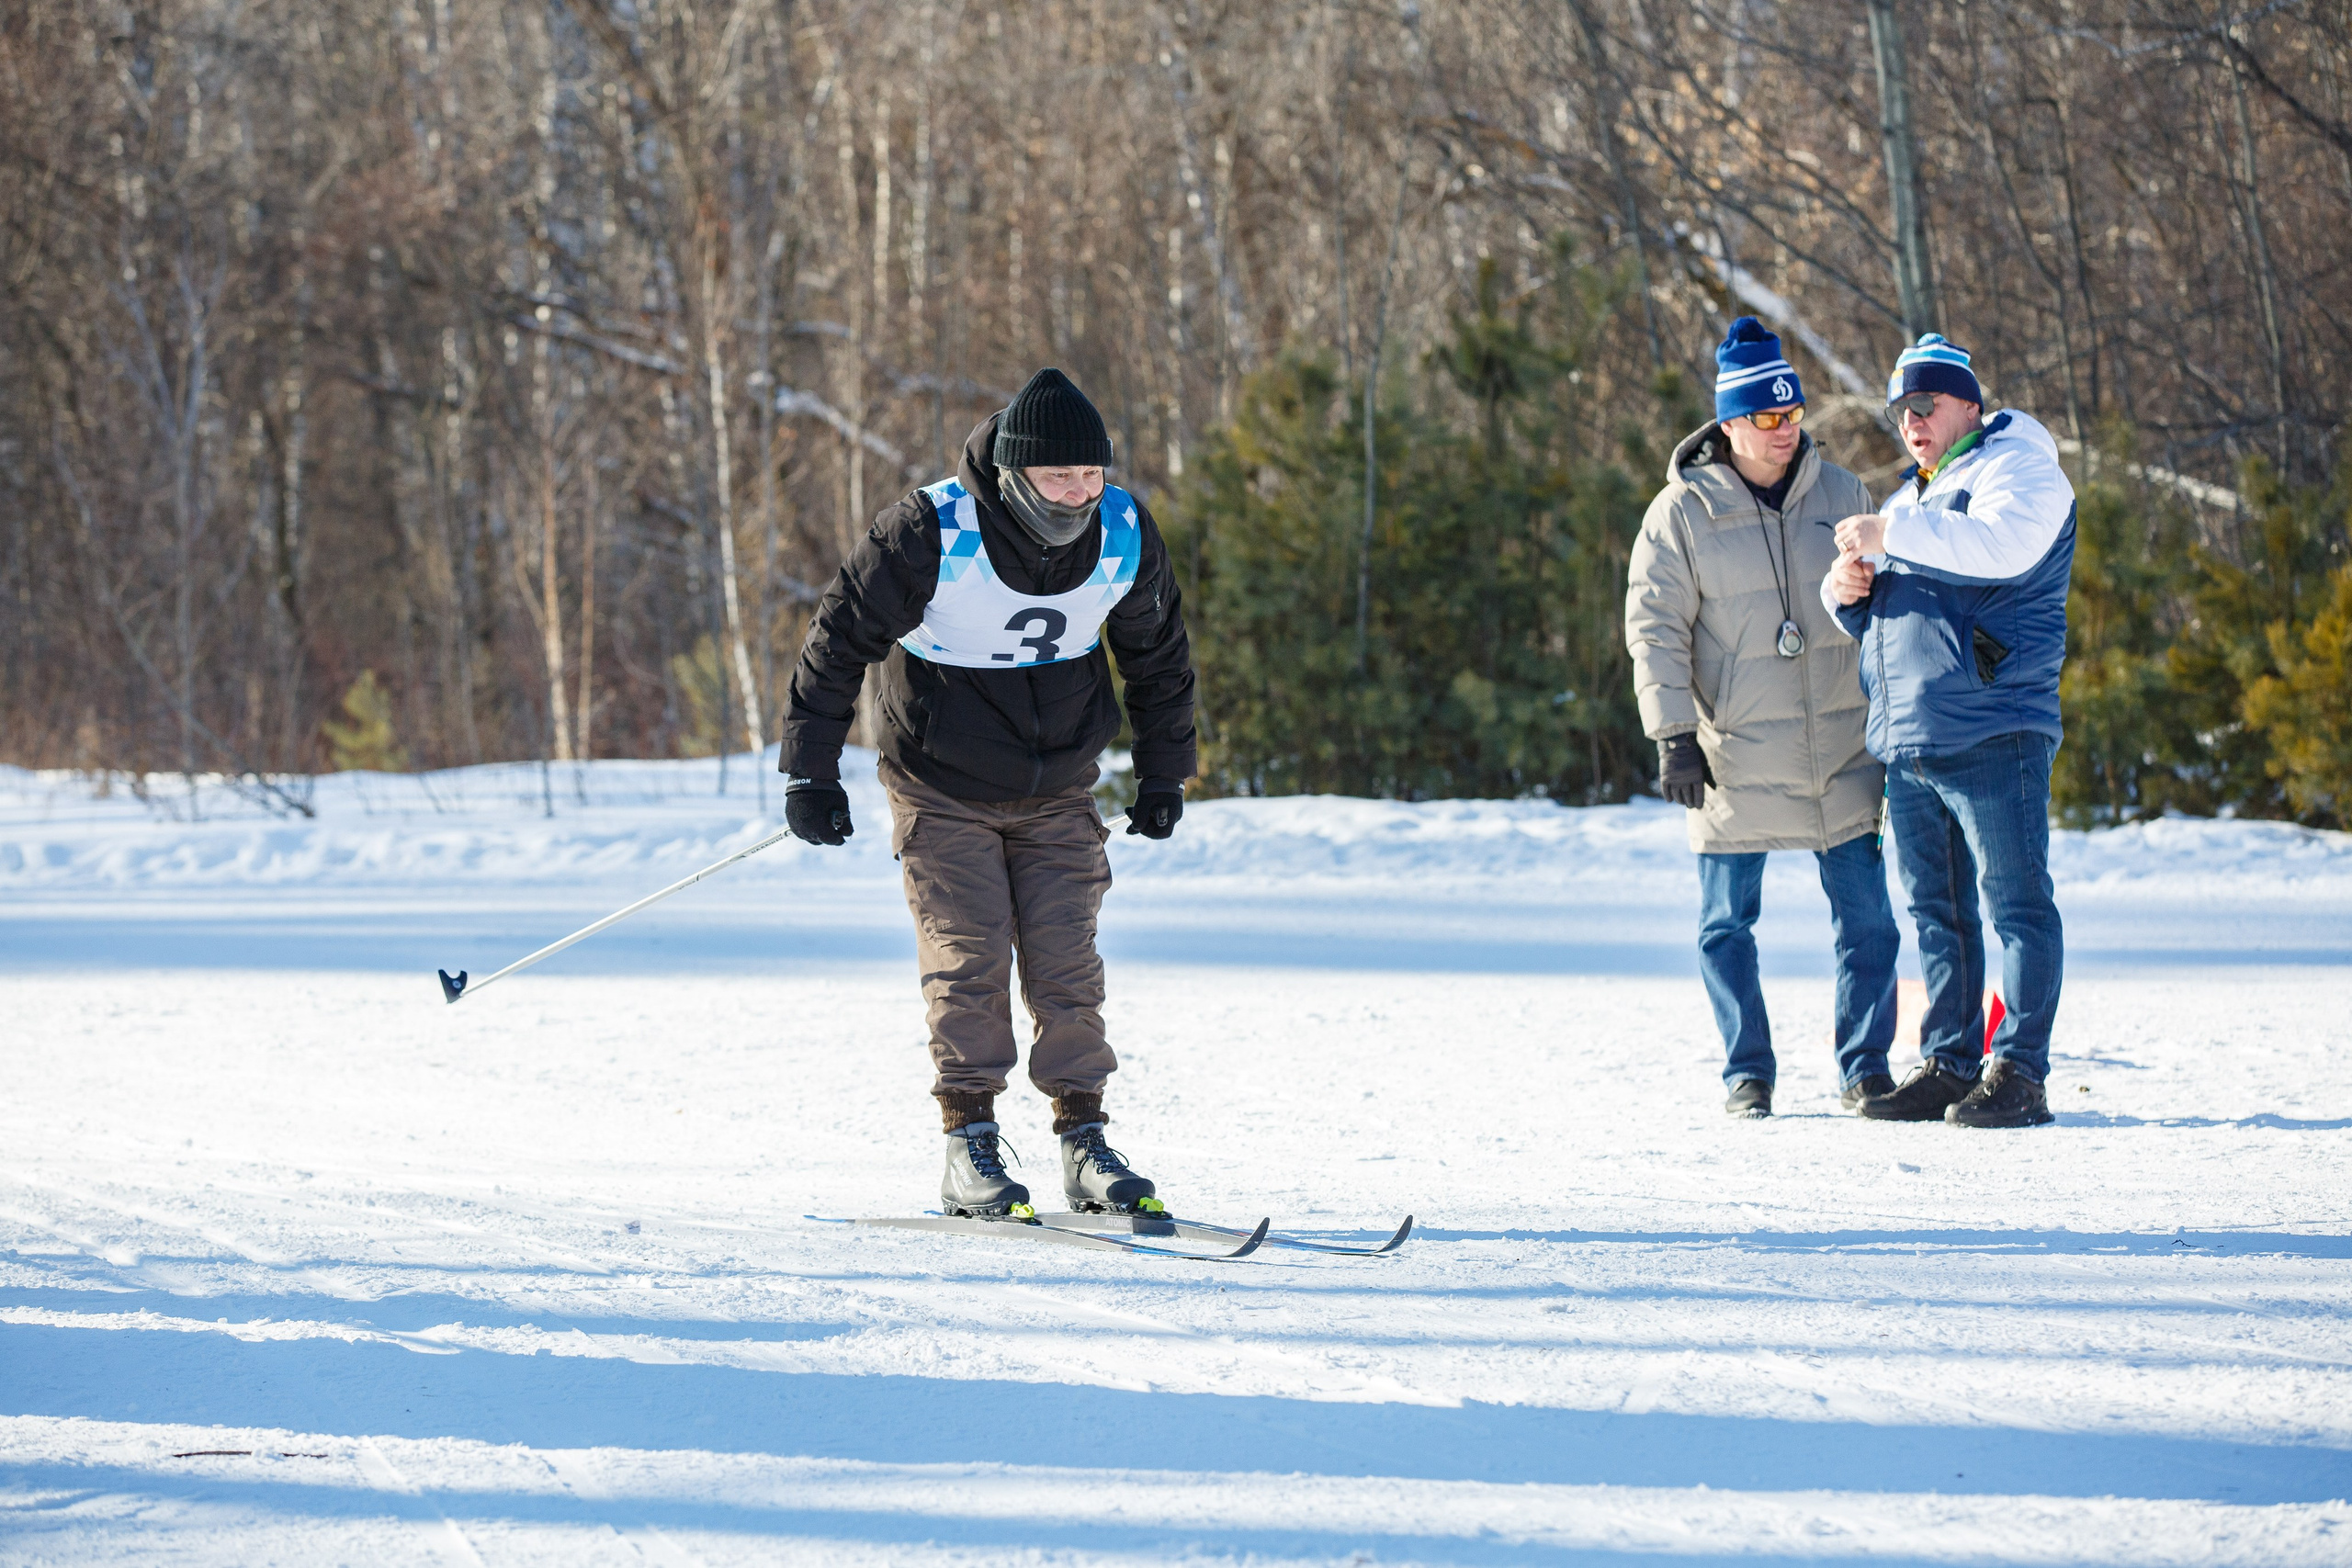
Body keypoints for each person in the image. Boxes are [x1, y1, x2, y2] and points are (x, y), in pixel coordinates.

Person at [778, 367, 1198, 1213]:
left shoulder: (1122, 530)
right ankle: (969, 1142)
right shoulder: (931, 530)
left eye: (1093, 474)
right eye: (1060, 476)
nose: (1081, 492)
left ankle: (1084, 1139)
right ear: (1014, 472)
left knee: (1066, 967)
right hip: (941, 785)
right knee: (968, 960)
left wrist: (1163, 769)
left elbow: (1158, 655)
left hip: (1058, 786)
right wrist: (810, 769)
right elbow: (838, 639)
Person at [1626, 317, 1901, 1120]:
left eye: (1795, 415)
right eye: (1769, 418)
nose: (1788, 431)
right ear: (1732, 422)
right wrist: (1673, 733)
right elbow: (1654, 627)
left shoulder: (1845, 494)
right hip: (1732, 748)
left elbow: (1891, 603)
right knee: (1725, 926)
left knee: (1869, 923)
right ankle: (1748, 1072)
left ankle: (1864, 1066)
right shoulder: (1679, 513)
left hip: (1842, 743)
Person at [1823, 333, 2075, 1130]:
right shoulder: (1911, 499)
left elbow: (2002, 549)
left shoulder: (2019, 468)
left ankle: (2021, 1071)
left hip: (1996, 729)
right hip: (1914, 740)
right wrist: (1845, 592)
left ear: (1969, 401)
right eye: (1901, 411)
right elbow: (1889, 621)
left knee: (2016, 906)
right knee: (1939, 914)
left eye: (1926, 405)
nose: (1912, 423)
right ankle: (1951, 1059)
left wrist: (1888, 538)